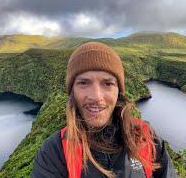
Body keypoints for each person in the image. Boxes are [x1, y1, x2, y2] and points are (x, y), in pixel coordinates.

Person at [32, 42, 177, 178]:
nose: (96, 96)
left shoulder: (147, 138)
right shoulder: (54, 153)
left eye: (107, 83)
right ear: (72, 91)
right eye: (83, 83)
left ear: (118, 91)